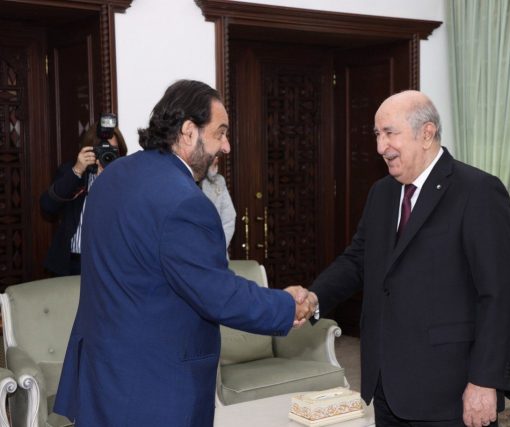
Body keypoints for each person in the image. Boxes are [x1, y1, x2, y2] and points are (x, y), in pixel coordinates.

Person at [53, 79, 312, 426]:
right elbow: (218, 294)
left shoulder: (113, 175)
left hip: (101, 375)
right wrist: (286, 306)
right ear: (189, 132)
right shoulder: (185, 203)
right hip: (155, 389)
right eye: (220, 133)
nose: (226, 146)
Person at [306, 90, 510, 427]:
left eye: (390, 133)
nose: (381, 147)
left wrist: (484, 380)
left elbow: (499, 295)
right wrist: (314, 297)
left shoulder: (477, 191)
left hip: (448, 388)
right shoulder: (382, 193)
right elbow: (358, 260)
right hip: (386, 383)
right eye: (377, 134)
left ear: (427, 134)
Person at [40, 122, 127, 276]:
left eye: (113, 150)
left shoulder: (126, 180)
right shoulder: (74, 174)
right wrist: (77, 171)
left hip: (108, 264)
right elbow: (47, 207)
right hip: (71, 264)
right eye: (102, 150)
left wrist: (107, 182)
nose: (107, 155)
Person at [201, 156, 236, 249]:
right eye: (214, 155)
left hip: (215, 250)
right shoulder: (182, 179)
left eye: (217, 155)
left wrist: (217, 248)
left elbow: (229, 219)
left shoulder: (219, 181)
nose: (216, 159)